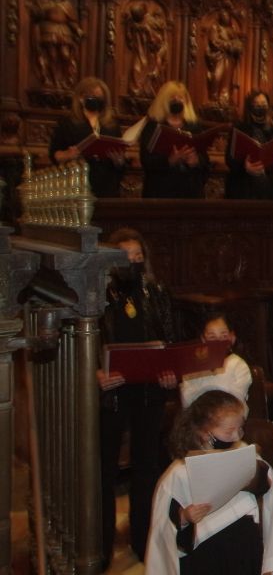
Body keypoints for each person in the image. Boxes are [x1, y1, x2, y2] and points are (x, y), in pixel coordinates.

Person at [98, 228, 182, 566]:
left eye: (137, 255)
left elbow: (168, 337)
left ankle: (142, 539)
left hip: (148, 390)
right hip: (111, 392)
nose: (132, 261)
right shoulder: (99, 294)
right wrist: (94, 375)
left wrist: (168, 371)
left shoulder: (157, 292)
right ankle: (99, 548)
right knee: (103, 469)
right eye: (125, 256)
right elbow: (85, 342)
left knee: (146, 468)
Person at [145, 390, 273, 574]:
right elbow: (164, 531)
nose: (237, 437)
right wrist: (184, 517)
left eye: (240, 428)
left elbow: (271, 495)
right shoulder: (179, 473)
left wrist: (256, 479)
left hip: (245, 549)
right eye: (229, 431)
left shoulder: (246, 456)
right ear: (203, 432)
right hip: (206, 556)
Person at [49, 76, 127, 197]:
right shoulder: (67, 123)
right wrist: (68, 154)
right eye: (92, 97)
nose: (96, 100)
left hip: (106, 187)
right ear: (80, 98)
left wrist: (119, 161)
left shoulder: (112, 125)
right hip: (77, 186)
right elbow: (54, 154)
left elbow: (120, 160)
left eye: (100, 98)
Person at [139, 80, 210, 199]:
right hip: (160, 194)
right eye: (172, 97)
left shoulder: (194, 126)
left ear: (186, 101)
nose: (177, 100)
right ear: (163, 101)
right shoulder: (152, 127)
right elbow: (146, 160)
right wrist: (170, 161)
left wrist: (196, 161)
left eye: (181, 97)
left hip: (190, 194)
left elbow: (205, 160)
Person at [225, 90, 273, 200]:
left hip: (269, 189)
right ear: (250, 107)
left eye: (264, 104)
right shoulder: (239, 128)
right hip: (244, 187)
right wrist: (245, 166)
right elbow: (229, 159)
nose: (260, 107)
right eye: (257, 104)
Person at [180, 314, 253, 408]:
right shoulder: (192, 366)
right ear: (203, 339)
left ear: (232, 338)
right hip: (198, 418)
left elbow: (236, 401)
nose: (218, 341)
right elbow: (187, 400)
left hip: (229, 419)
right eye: (212, 337)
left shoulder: (239, 365)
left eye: (224, 336)